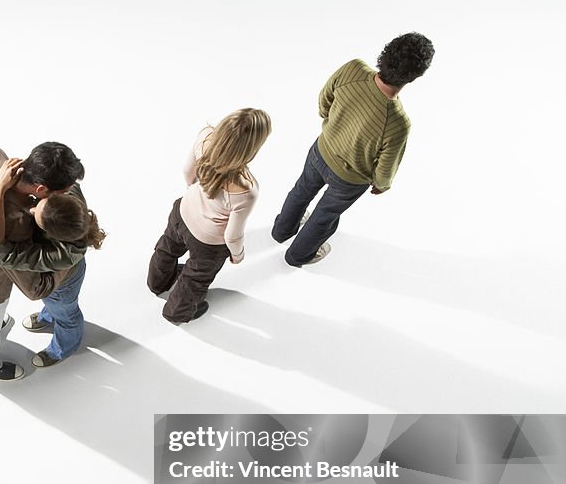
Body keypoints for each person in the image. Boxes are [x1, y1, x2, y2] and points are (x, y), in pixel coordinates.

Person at [272, 32, 435, 266]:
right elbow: (386, 166)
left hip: (320, 151)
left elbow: (324, 100)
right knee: (324, 217)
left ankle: (281, 232)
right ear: (414, 77)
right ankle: (298, 255)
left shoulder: (353, 69)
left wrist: (331, 123)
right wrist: (381, 185)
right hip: (349, 180)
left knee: (301, 191)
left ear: (386, 51)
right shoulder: (398, 121)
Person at [0, 141, 86, 380]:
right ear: (41, 189)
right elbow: (34, 288)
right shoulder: (13, 224)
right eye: (62, 192)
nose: (67, 195)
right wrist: (70, 262)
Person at [147, 108, 272, 323]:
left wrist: (198, 192)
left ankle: (157, 282)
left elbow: (187, 173)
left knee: (167, 247)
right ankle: (177, 312)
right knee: (195, 278)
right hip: (208, 242)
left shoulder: (205, 136)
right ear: (251, 148)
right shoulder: (246, 190)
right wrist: (237, 254)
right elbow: (232, 235)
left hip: (182, 211)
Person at [0, 157, 105, 367]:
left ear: (52, 234)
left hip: (64, 283)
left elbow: (2, 254)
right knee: (54, 305)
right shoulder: (70, 196)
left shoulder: (60, 255)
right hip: (66, 277)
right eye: (38, 204)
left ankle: (64, 347)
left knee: (66, 313)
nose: (31, 209)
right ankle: (49, 317)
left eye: (36, 216)